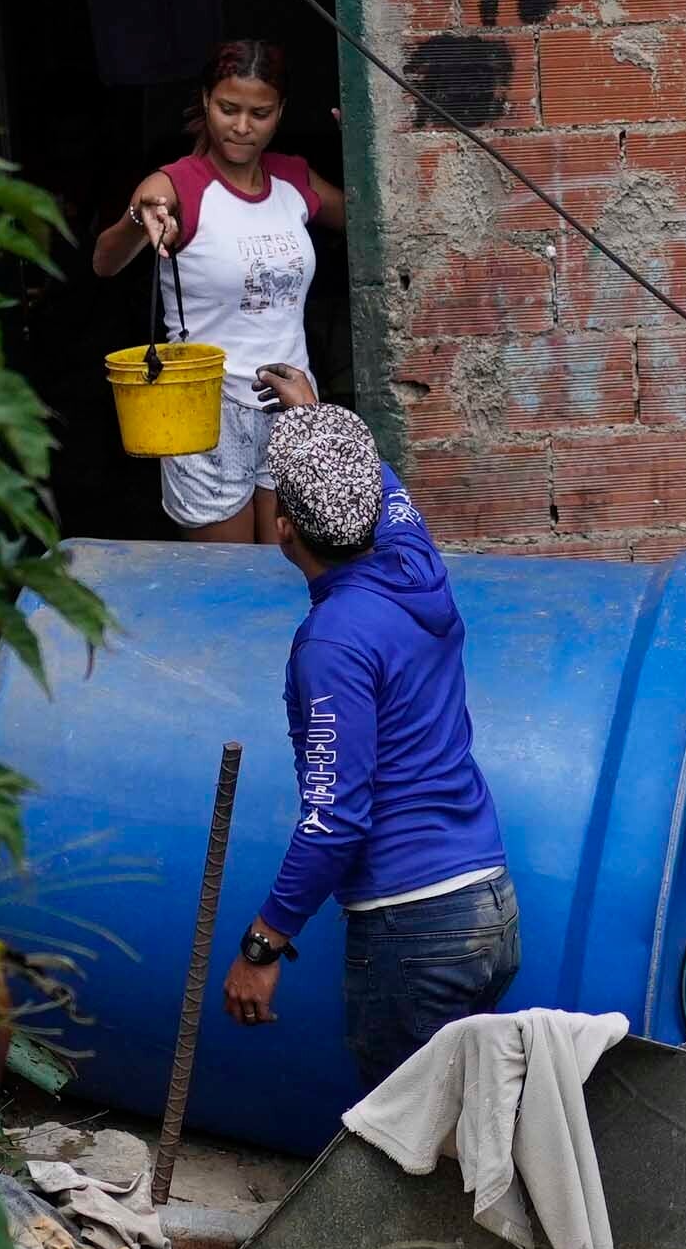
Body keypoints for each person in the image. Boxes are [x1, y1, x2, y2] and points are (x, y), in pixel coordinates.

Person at [219, 401, 518, 1080]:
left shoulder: (333, 642)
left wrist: (261, 947)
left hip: (415, 926)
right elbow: (386, 491)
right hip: (491, 906)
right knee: (461, 1127)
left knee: (402, 1146)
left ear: (285, 530)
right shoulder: (418, 566)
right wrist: (314, 411)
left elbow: (335, 819)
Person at [88, 38, 338, 538]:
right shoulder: (177, 184)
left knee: (289, 574)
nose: (242, 127)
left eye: (259, 113)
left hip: (289, 400)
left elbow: (371, 218)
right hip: (207, 409)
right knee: (230, 580)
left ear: (280, 112)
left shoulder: (294, 179)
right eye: (228, 109)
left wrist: (365, 142)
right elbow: (104, 263)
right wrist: (142, 218)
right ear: (206, 101)